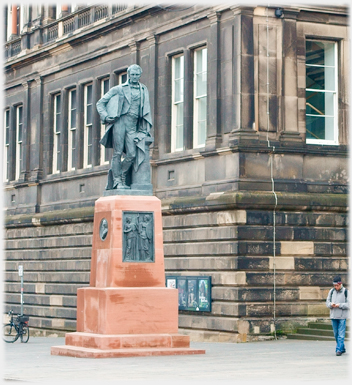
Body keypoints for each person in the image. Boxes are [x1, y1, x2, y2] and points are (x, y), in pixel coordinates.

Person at [96, 64, 152, 189]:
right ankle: (117, 181)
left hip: (133, 124)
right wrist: (105, 116)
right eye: (132, 74)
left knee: (132, 154)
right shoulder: (119, 89)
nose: (134, 77)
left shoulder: (143, 90)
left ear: (140, 75)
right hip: (120, 122)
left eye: (137, 75)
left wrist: (143, 128)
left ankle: (121, 175)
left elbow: (145, 109)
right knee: (117, 152)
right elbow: (100, 103)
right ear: (128, 74)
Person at [326, 275, 349, 356]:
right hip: (333, 316)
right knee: (336, 334)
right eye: (334, 285)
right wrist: (331, 304)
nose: (336, 287)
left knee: (341, 334)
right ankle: (342, 348)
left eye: (337, 285)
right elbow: (327, 302)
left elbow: (349, 305)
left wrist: (340, 305)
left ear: (340, 284)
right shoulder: (331, 291)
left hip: (342, 316)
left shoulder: (346, 292)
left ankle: (338, 350)